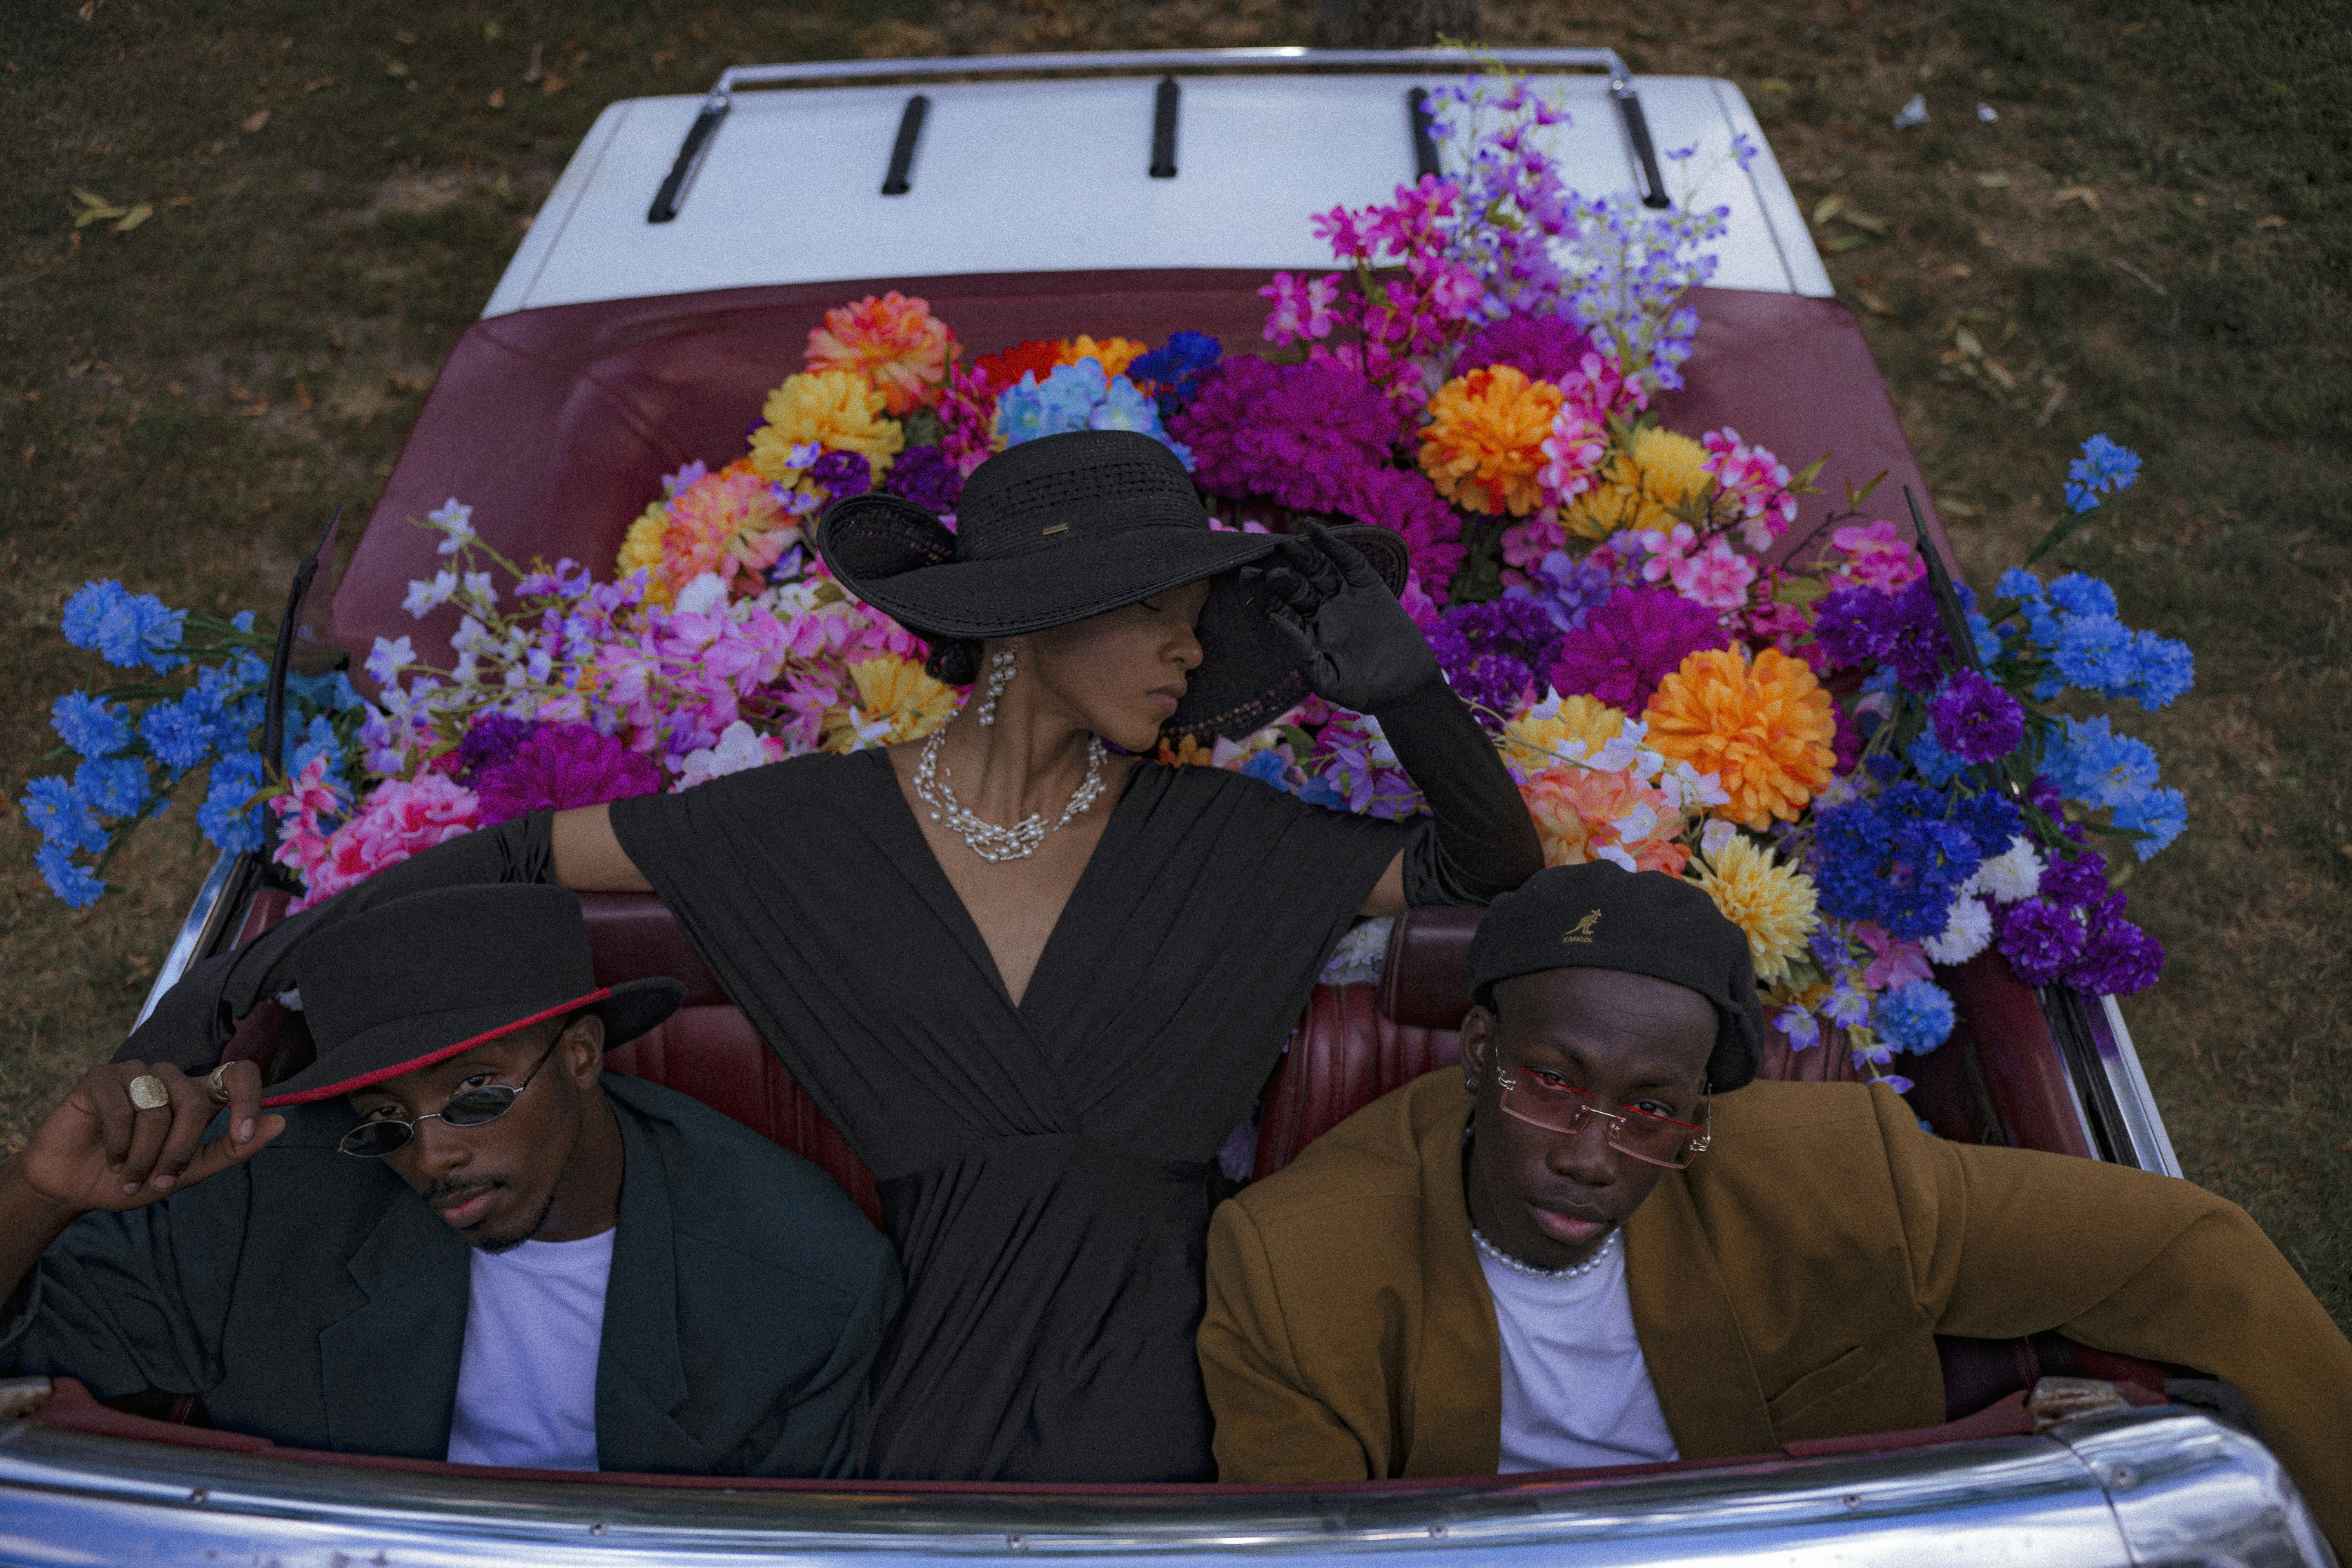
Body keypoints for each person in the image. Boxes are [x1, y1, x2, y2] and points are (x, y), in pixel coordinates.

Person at [121, 429, 1545, 1482]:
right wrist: (216, 1003)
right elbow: (509, 855)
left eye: (1196, 626)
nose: (1189, 657)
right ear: (1039, 624)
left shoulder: (1222, 840)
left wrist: (1411, 695)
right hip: (905, 1385)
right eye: (1161, 620)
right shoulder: (809, 832)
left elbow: (1489, 881)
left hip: (1163, 1381)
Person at [1197, 861, 2352, 1552]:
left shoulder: (1836, 1173)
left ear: (1704, 1107)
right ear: (1480, 1049)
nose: (1596, 1157)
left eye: (1654, 1110)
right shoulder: (1292, 1266)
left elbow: (2194, 1253)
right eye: (1552, 1086)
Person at [8, 884, 899, 1476]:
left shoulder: (806, 1278)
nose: (429, 1159)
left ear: (581, 1054)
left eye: (475, 1094)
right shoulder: (270, 1193)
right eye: (385, 1118)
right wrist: (40, 1194)